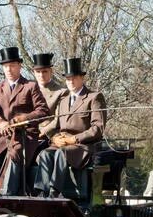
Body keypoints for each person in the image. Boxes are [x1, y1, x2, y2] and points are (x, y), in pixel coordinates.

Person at [0, 46, 49, 195]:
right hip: (3, 133)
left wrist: (24, 118)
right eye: (6, 66)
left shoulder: (30, 86)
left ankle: (8, 195)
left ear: (19, 66)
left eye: (12, 65)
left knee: (14, 154)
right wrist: (0, 123)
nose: (9, 69)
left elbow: (43, 111)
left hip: (25, 135)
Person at [33, 57, 106, 199]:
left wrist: (74, 139)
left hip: (83, 146)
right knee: (45, 154)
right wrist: (54, 137)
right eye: (68, 79)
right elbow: (56, 124)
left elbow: (97, 128)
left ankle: (54, 192)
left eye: (74, 78)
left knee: (62, 153)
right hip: (62, 143)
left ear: (82, 78)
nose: (70, 82)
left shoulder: (94, 97)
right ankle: (41, 191)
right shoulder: (64, 100)